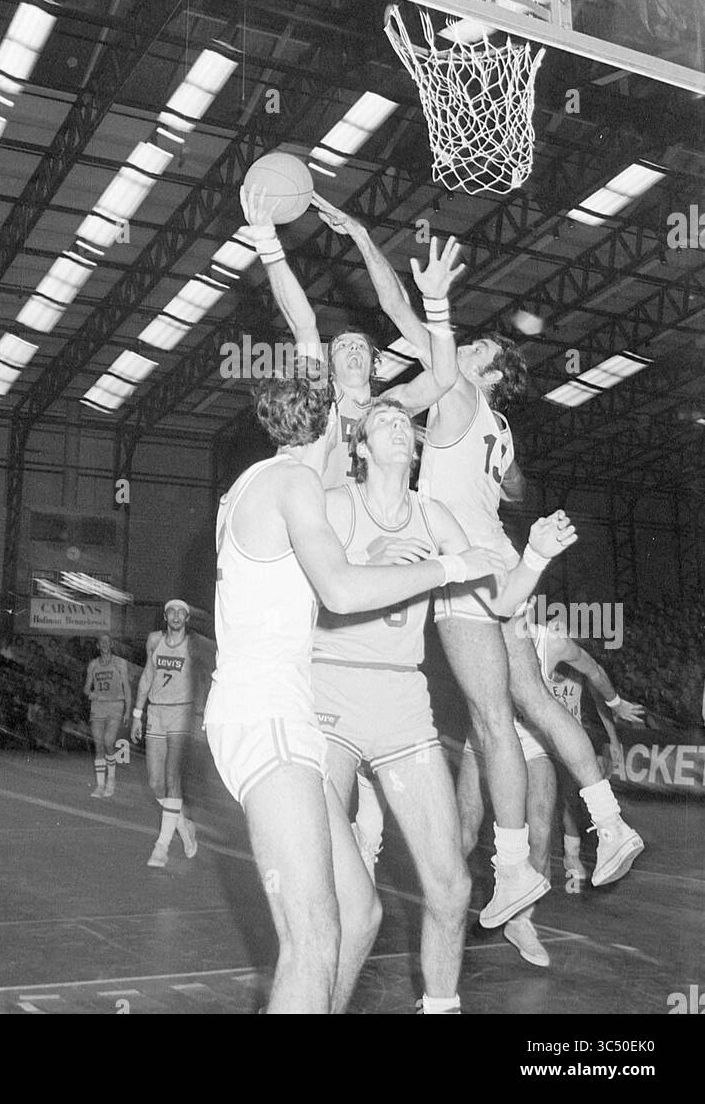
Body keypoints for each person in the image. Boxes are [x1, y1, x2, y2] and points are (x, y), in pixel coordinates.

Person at [313, 195, 644, 927]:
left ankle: (515, 866)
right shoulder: (496, 427)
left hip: (469, 568)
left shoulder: (460, 394)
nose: (460, 354)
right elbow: (508, 486)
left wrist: (372, 245)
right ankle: (609, 821)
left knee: (493, 719)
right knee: (527, 703)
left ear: (488, 375)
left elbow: (401, 312)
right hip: (505, 565)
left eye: (474, 353)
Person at [206, 369, 510, 1014]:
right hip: (268, 719)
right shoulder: (291, 482)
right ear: (341, 434)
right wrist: (451, 565)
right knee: (313, 939)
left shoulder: (263, 482)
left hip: (281, 715)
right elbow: (342, 592)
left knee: (360, 914)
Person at [312, 399, 576, 1012]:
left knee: (453, 888)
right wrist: (362, 563)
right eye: (385, 423)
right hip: (332, 694)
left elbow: (503, 602)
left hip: (402, 700)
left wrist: (533, 554)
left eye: (407, 424)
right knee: (332, 894)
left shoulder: (436, 516)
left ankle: (440, 1005)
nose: (401, 429)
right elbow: (308, 590)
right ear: (360, 446)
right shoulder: (332, 506)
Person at [240, 185, 463, 874]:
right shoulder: (319, 409)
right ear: (329, 370)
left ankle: (362, 826)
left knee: (377, 689)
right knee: (320, 697)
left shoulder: (389, 412)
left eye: (362, 350)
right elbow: (301, 317)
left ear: (373, 365)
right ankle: (330, 826)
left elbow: (445, 370)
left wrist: (363, 237)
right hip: (318, 557)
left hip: (369, 557)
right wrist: (267, 239)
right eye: (342, 352)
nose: (353, 355)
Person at [458, 604, 646, 966]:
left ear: (529, 608)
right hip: (485, 741)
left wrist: (616, 702)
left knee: (541, 827)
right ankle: (447, 910)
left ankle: (522, 921)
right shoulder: (478, 632)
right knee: (465, 834)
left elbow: (592, 669)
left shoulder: (552, 640)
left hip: (531, 740)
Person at [131, 600, 201, 868]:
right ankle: (182, 823)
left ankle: (161, 846)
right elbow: (148, 676)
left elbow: (202, 679)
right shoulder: (154, 640)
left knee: (173, 778)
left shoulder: (193, 646)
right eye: (171, 611)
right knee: (155, 782)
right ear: (165, 616)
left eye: (181, 612)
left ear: (186, 618)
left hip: (181, 714)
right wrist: (138, 714)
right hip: (156, 712)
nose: (176, 616)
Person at [83, 634, 131, 799]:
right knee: (99, 745)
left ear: (111, 645)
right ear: (97, 645)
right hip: (98, 707)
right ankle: (100, 785)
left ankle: (111, 779)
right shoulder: (93, 665)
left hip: (115, 706)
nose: (104, 644)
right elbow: (86, 689)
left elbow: (127, 688)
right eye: (101, 642)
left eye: (107, 642)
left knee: (109, 742)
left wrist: (128, 710)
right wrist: (92, 695)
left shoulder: (120, 663)